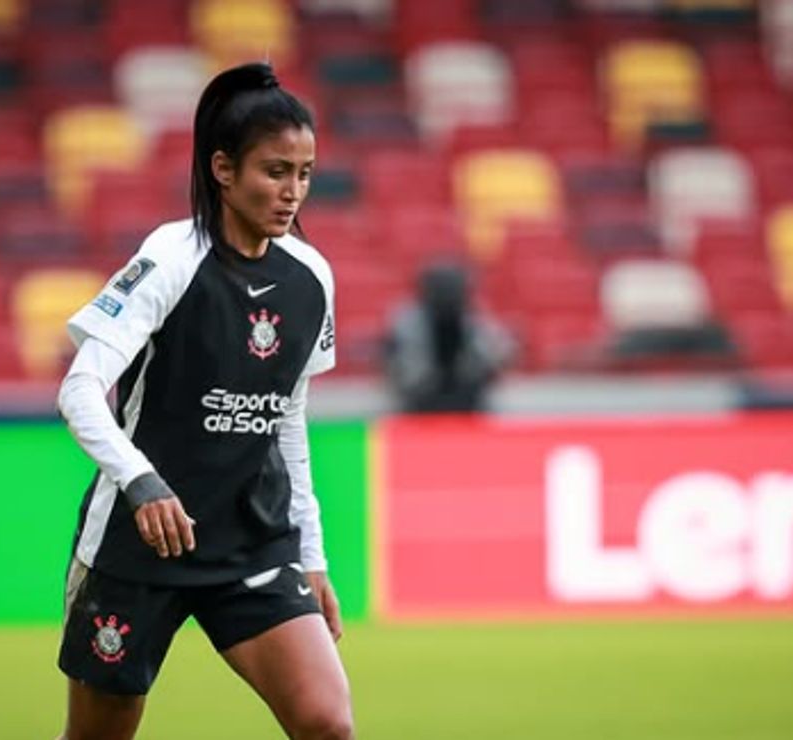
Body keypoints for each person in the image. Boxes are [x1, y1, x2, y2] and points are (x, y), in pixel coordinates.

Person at [54, 63, 353, 740]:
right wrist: (142, 482)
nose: (293, 193)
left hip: (252, 542)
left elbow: (288, 423)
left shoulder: (311, 278)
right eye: (276, 171)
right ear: (223, 168)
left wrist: (313, 556)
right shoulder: (171, 257)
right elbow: (78, 390)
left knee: (328, 725)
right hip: (141, 546)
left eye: (304, 174)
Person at [383, 260, 513, 413]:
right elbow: (398, 367)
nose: (446, 294)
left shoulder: (474, 319)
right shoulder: (407, 321)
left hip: (469, 402)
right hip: (419, 402)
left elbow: (497, 354)